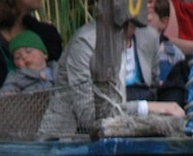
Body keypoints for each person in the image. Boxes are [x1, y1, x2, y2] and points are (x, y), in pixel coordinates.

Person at [38, 18, 185, 139]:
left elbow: (152, 90)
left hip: (134, 129)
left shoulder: (149, 36)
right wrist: (145, 107)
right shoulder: (86, 42)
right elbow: (89, 116)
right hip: (74, 137)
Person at [0, 30, 54, 95]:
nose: (24, 57)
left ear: (44, 54)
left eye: (28, 51)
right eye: (17, 57)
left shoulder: (57, 70)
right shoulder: (16, 77)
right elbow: (5, 91)